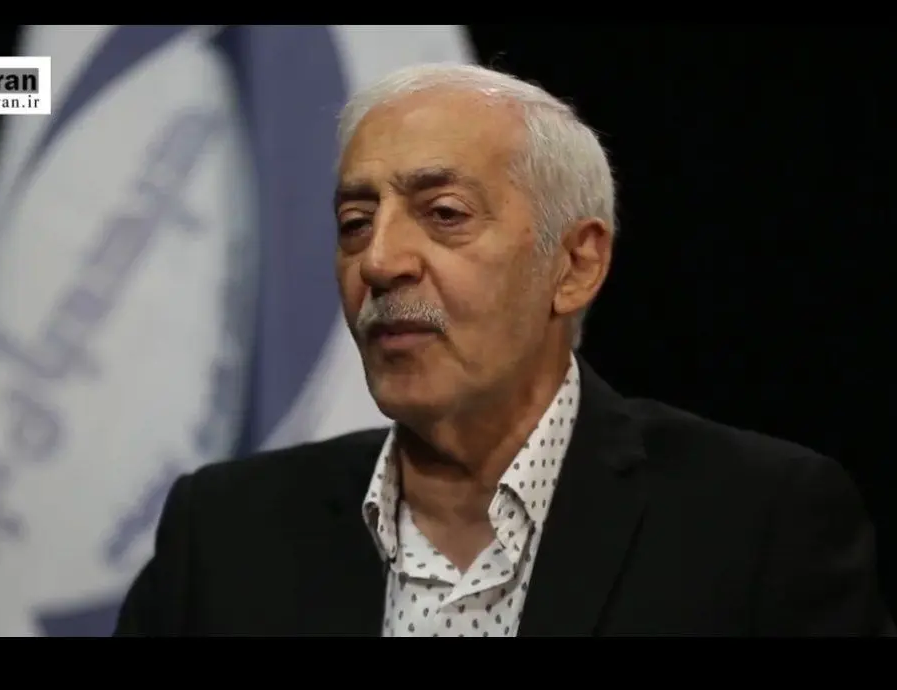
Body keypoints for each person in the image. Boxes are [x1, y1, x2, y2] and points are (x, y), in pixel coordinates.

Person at [114, 63, 894, 636]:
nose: (379, 261)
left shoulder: (758, 524)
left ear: (576, 264)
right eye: (355, 223)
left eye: (444, 213)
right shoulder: (223, 534)